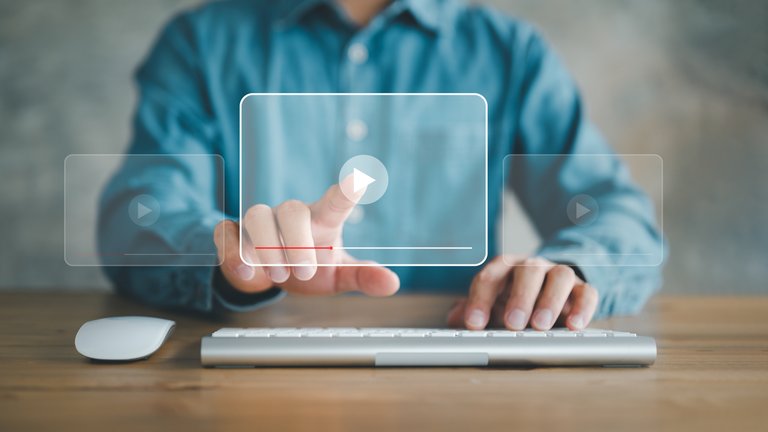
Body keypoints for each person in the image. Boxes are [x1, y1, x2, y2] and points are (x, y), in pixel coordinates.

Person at [99, 0, 665, 331]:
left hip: (458, 369)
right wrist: (225, 252)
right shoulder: (200, 44)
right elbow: (140, 212)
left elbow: (615, 214)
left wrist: (568, 271)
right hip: (250, 369)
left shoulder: (509, 53)